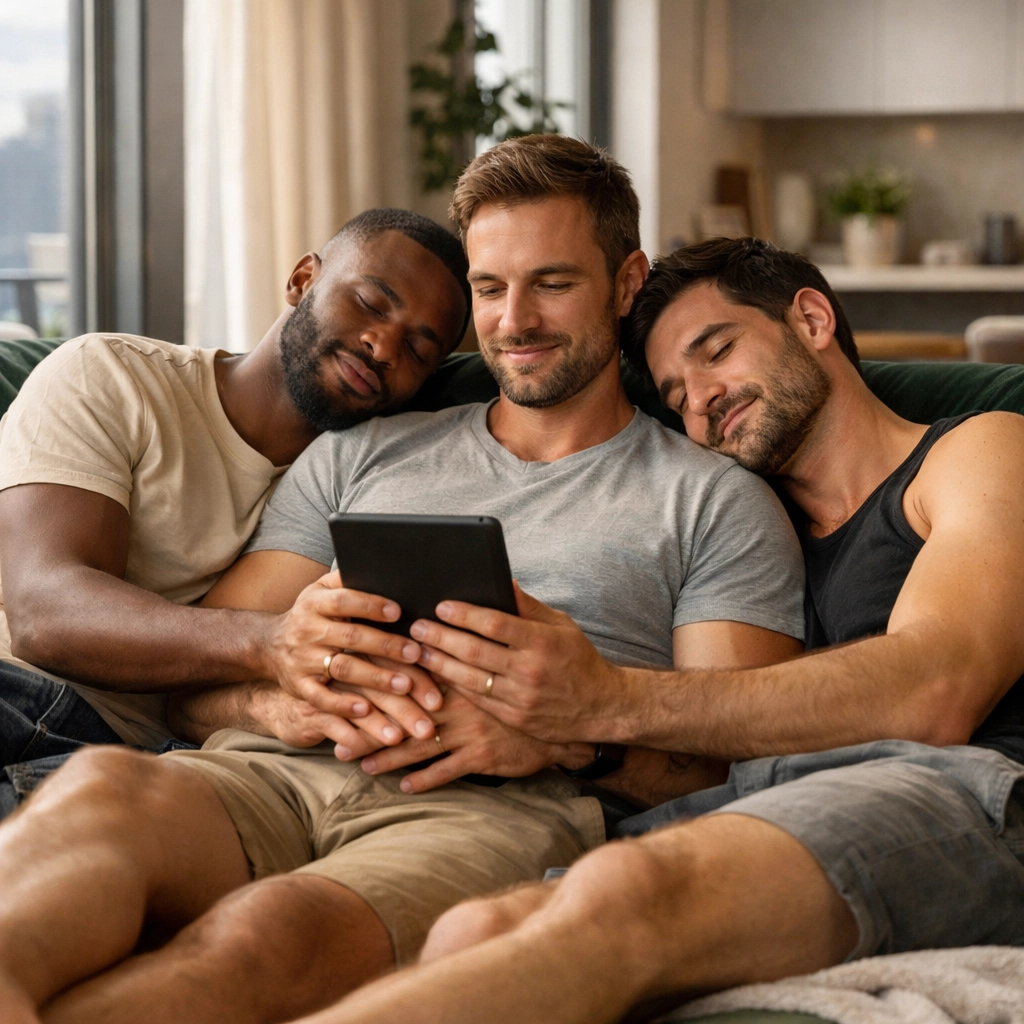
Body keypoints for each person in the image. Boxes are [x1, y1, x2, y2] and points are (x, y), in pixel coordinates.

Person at [0, 139, 806, 1024]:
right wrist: (278, 700)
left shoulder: (716, 502)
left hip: (491, 813)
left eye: (554, 282)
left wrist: (571, 735)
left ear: (624, 283)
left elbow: (732, 770)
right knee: (101, 796)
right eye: (492, 289)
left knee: (266, 936)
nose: (516, 321)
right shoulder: (358, 453)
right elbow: (194, 690)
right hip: (265, 773)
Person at [294, 236, 1024, 1024]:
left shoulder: (978, 450)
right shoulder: (748, 529)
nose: (701, 398)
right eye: (676, 395)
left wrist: (598, 700)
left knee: (626, 896)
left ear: (810, 318)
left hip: (968, 794)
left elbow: (936, 690)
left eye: (717, 352)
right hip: (773, 806)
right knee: (477, 926)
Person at [0, 208, 471, 815]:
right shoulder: (111, 375)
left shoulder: (370, 484)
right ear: (303, 280)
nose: (383, 346)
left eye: (418, 348)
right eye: (371, 304)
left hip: (135, 761)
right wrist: (271, 641)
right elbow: (45, 614)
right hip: (16, 693)